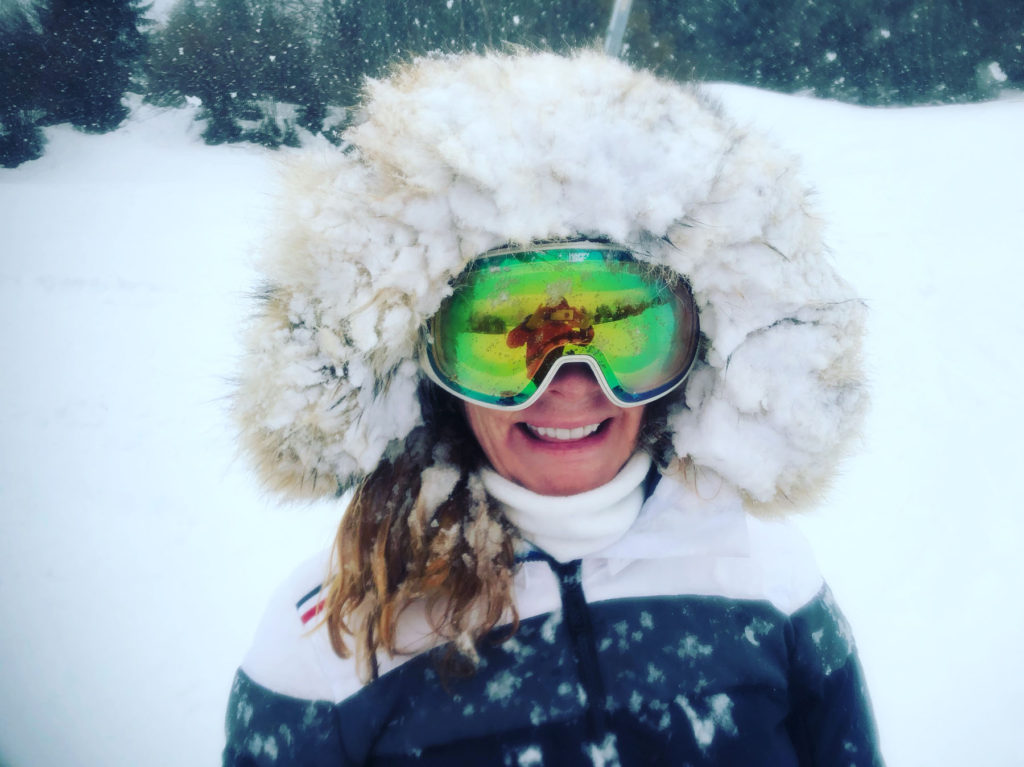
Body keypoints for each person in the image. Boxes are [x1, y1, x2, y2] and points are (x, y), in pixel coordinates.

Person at [225, 50, 884, 766]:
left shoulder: (770, 579)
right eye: (504, 337)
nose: (570, 384)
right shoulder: (329, 647)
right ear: (432, 370)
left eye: (624, 329)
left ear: (692, 355)